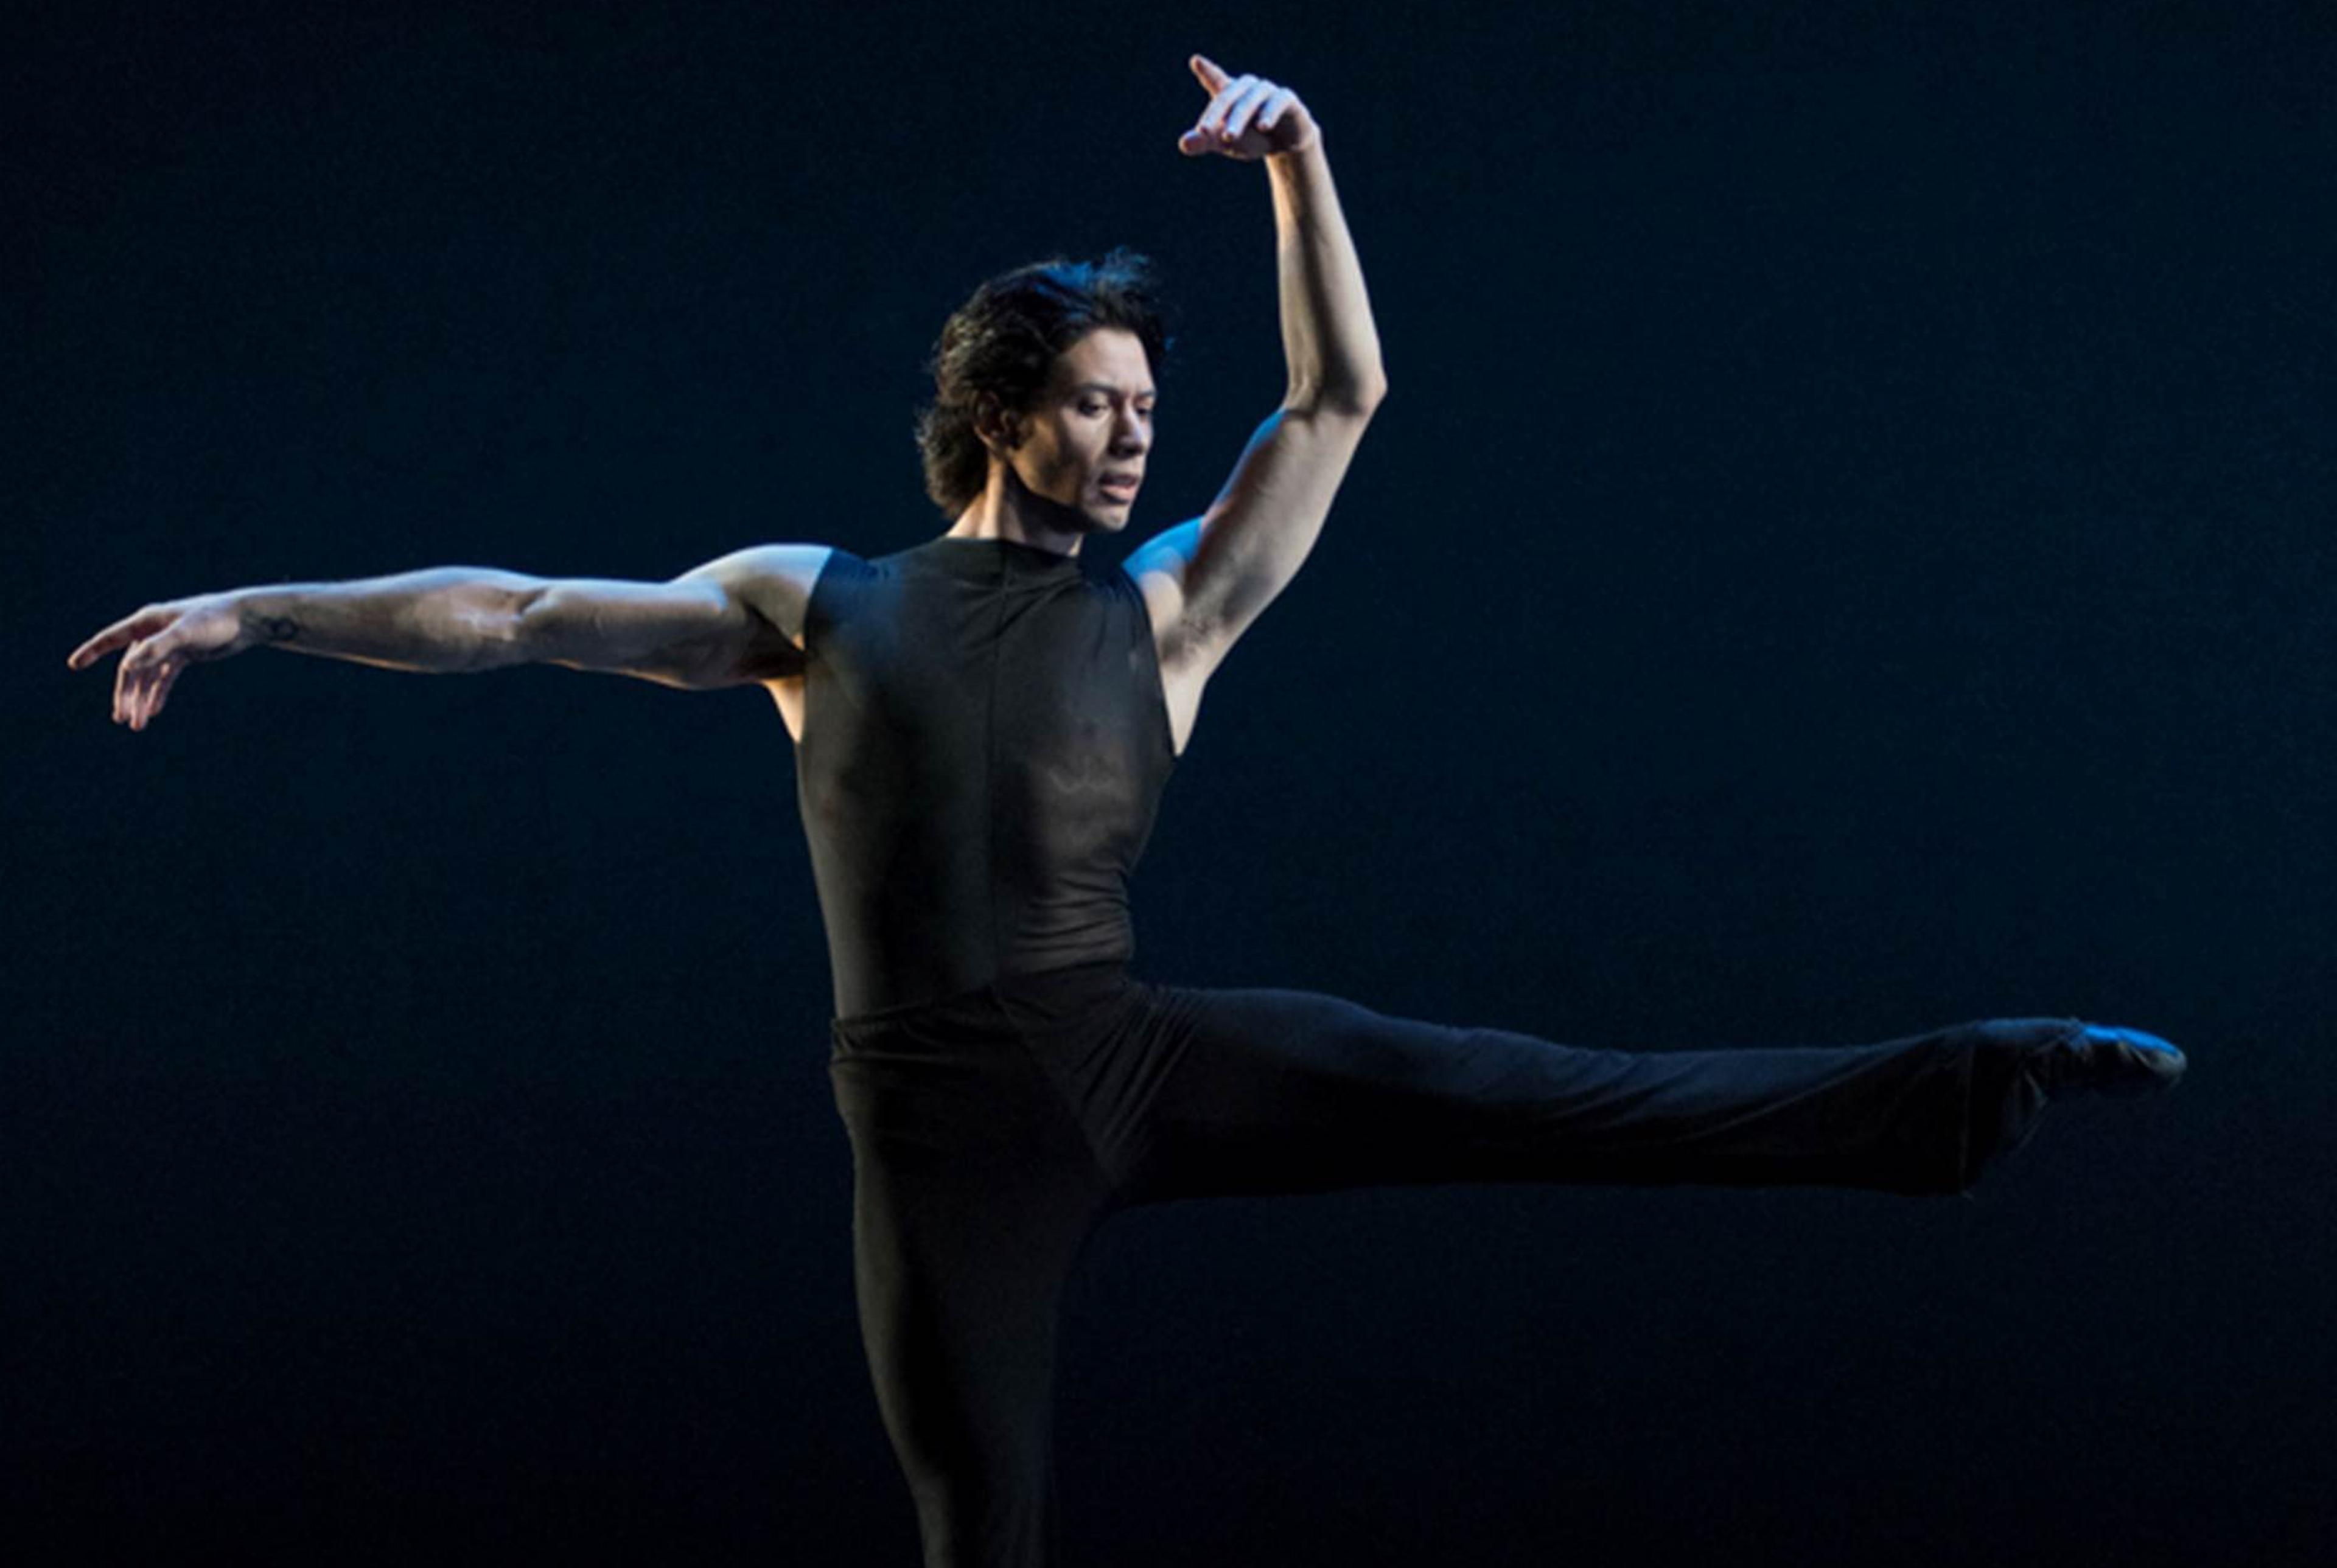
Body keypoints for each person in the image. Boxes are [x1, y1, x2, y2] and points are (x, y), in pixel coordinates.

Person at [69, 54, 2184, 1568]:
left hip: (1130, 1053)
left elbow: (1339, 398)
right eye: (1095, 404)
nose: (1126, 438)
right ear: (1003, 411)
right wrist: (259, 606)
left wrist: (1305, 166)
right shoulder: (817, 605)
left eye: (1145, 413)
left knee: (1547, 1086)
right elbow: (517, 612)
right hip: (935, 1121)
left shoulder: (1170, 610)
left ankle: (1966, 1082)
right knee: (978, 1532)